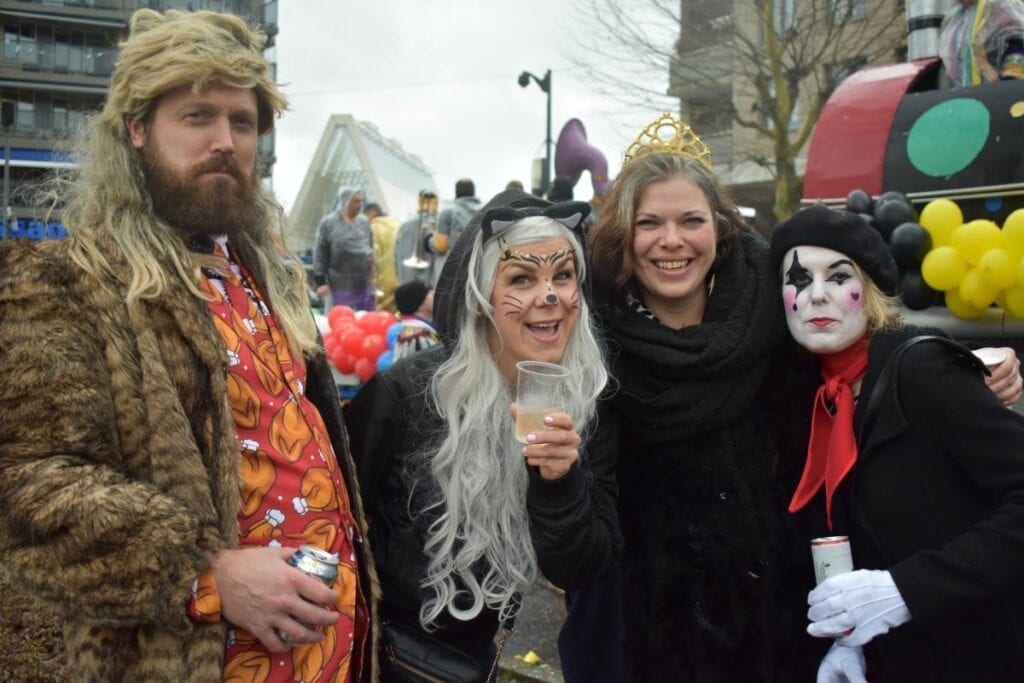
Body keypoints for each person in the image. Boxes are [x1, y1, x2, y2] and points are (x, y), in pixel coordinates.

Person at [558, 112, 1022, 681]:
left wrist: (966, 361)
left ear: (721, 230)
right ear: (622, 236)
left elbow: (863, 349)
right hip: (651, 647)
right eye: (649, 222)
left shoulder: (776, 332)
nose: (671, 240)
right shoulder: (590, 354)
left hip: (789, 642)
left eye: (691, 220)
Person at [0, 9, 376, 681]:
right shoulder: (69, 282)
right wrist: (207, 573)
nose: (225, 141)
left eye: (242, 121)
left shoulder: (266, 276)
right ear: (138, 130)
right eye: (197, 116)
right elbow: (27, 484)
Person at [344, 192, 621, 680]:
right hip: (380, 658)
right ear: (480, 295)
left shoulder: (588, 403)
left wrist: (560, 482)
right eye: (521, 279)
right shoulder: (405, 394)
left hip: (475, 664)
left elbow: (580, 569)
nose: (549, 296)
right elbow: (336, 523)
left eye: (563, 276)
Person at [770, 206, 1024, 682]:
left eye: (838, 276)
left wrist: (907, 590)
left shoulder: (924, 370)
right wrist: (845, 644)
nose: (817, 295)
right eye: (799, 280)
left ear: (868, 292)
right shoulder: (802, 397)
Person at [314, 186, 376, 311]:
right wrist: (320, 282)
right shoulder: (329, 223)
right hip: (339, 284)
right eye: (356, 201)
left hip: (363, 283)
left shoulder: (363, 222)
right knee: (341, 320)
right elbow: (320, 253)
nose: (360, 204)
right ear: (345, 201)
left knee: (365, 319)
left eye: (361, 201)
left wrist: (372, 265)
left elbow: (369, 247)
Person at [939, 0, 1024, 86]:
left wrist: (1009, 82)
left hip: (1001, 90)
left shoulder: (1001, 6)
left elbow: (1018, 42)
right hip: (965, 94)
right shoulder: (951, 20)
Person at [429, 177, 481, 286]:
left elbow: (441, 246)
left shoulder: (449, 212)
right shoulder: (484, 210)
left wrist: (429, 240)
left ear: (456, 192)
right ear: (473, 192)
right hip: (479, 273)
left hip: (453, 276)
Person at [364, 201, 400, 313]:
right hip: (400, 277)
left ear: (371, 213)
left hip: (384, 278)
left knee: (381, 314)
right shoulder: (396, 222)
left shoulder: (374, 227)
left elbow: (372, 254)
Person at [391, 279, 440, 361]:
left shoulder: (421, 331)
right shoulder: (417, 338)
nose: (435, 294)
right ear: (419, 305)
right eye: (430, 293)